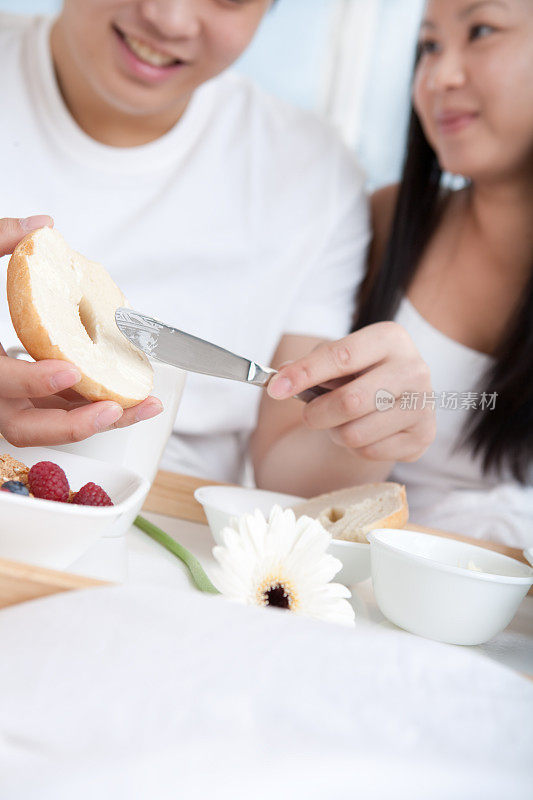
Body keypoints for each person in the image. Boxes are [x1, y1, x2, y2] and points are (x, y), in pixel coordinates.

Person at [0, 0, 434, 492]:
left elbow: (290, 473)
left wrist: (365, 429)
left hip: (172, 531)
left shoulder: (311, 173)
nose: (169, 18)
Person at [310, 0, 531, 546]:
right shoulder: (384, 224)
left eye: (481, 31)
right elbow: (289, 467)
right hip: (368, 571)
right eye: (430, 45)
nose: (439, 77)